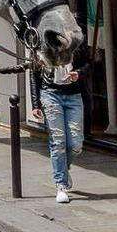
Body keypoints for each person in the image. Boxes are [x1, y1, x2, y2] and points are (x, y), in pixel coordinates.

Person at [31, 37, 90, 204]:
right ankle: (61, 185)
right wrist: (35, 103)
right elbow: (34, 73)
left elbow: (88, 64)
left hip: (74, 96)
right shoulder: (43, 41)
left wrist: (78, 74)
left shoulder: (77, 41)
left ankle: (63, 168)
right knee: (58, 141)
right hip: (50, 94)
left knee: (76, 144)